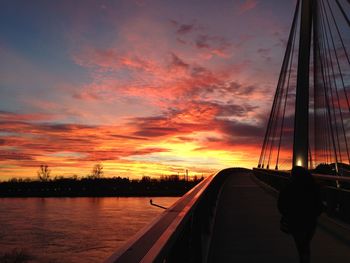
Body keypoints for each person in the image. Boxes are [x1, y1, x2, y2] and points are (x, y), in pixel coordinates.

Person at [278, 166, 323, 263]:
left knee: (301, 244)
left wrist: (287, 214)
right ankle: (305, 258)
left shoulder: (288, 188)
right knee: (305, 243)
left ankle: (304, 259)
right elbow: (320, 206)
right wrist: (314, 214)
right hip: (310, 222)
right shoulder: (314, 187)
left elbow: (281, 205)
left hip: (295, 221)